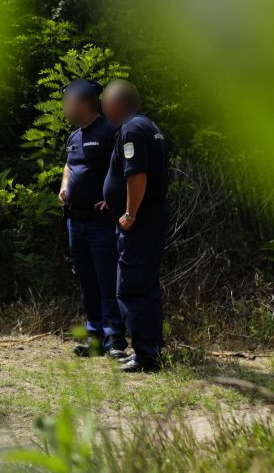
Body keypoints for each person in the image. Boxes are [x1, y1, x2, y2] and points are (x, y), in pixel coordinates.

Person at [102, 80, 169, 373]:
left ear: (118, 103)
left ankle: (145, 356)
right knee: (146, 285)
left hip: (140, 221)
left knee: (131, 287)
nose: (103, 109)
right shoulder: (147, 126)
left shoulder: (130, 129)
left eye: (105, 103)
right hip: (150, 216)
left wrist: (129, 212)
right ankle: (150, 350)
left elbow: (136, 175)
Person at [58, 79, 128, 360]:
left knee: (107, 282)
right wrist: (64, 185)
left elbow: (129, 166)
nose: (64, 108)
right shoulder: (74, 137)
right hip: (75, 222)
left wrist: (114, 199)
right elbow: (68, 165)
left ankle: (115, 342)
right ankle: (95, 339)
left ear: (84, 103)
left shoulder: (111, 131)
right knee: (87, 281)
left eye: (68, 102)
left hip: (101, 222)